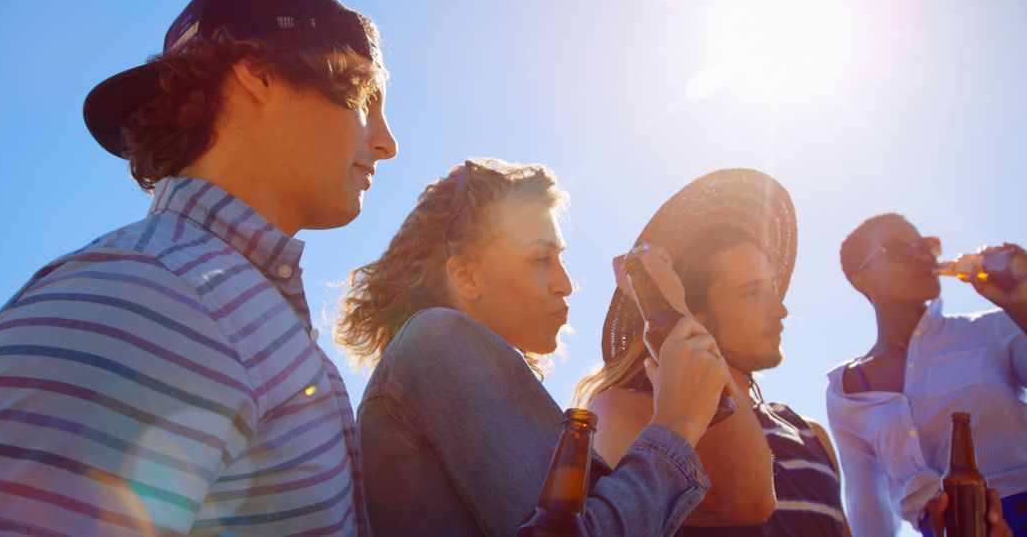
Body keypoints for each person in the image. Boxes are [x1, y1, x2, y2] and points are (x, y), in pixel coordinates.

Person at [0, 0, 397, 535]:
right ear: (259, 75)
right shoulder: (137, 296)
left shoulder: (214, 302)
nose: (386, 142)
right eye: (366, 101)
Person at [335, 158, 733, 536]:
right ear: (467, 276)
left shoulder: (447, 365)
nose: (565, 283)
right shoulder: (438, 340)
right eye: (541, 258)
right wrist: (676, 425)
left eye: (559, 258)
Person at [577, 168, 849, 536]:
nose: (781, 308)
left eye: (771, 287)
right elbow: (746, 499)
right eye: (753, 292)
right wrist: (667, 308)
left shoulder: (810, 433)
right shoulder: (625, 413)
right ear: (694, 311)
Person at [829, 213, 1024, 536]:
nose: (922, 255)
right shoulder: (844, 391)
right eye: (899, 249)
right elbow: (868, 509)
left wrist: (1023, 306)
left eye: (927, 245)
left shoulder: (996, 328)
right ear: (863, 278)